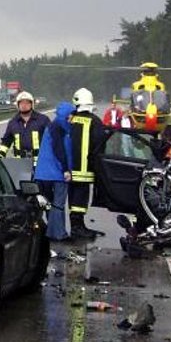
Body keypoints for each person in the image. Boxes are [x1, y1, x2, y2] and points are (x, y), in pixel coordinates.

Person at [69, 87, 108, 239]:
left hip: (70, 167)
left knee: (74, 195)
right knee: (81, 195)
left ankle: (77, 225)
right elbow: (100, 145)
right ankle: (77, 227)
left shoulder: (70, 119)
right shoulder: (95, 121)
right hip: (86, 168)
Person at [34, 102, 76, 242]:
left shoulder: (51, 127)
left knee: (48, 204)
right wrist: (65, 169)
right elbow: (60, 150)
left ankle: (52, 232)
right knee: (58, 204)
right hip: (56, 173)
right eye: (71, 116)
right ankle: (58, 234)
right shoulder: (60, 129)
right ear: (66, 116)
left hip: (43, 174)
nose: (72, 119)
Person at [0, 91, 50, 163]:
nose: (24, 105)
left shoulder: (43, 120)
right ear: (17, 105)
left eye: (27, 103)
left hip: (40, 164)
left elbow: (52, 140)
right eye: (21, 103)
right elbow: (6, 142)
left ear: (32, 104)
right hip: (19, 164)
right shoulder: (13, 123)